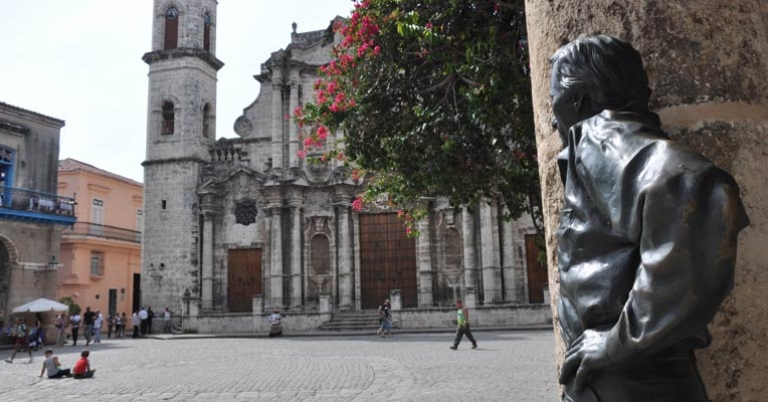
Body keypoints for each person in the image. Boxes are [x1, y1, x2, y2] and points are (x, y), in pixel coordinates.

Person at [549, 36, 750, 401]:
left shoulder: (601, 135)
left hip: (629, 384)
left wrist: (617, 342)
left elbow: (689, 184)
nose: (551, 119)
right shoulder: (604, 141)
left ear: (577, 100)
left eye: (555, 103)